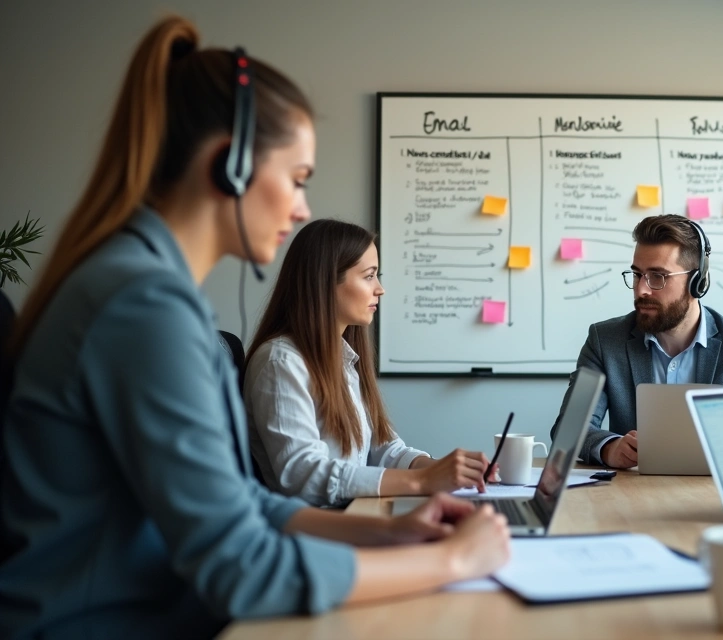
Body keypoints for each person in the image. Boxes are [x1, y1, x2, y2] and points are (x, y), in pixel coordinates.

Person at [0, 17, 508, 639]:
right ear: (229, 168)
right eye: (296, 180)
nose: (301, 209)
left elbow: (244, 503)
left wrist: (391, 528)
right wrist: (449, 560)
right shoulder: (141, 304)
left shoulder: (147, 290)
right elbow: (240, 566)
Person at [245, 219, 497, 507]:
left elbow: (383, 447)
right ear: (325, 282)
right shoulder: (281, 363)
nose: (380, 289)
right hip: (319, 534)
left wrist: (439, 467)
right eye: (369, 276)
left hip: (352, 518)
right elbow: (304, 476)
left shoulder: (342, 359)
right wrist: (422, 482)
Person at [552, 214, 723, 468]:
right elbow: (568, 429)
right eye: (637, 275)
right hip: (633, 496)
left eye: (658, 277)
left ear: (697, 282)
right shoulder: (605, 341)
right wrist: (609, 448)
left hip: (717, 492)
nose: (641, 290)